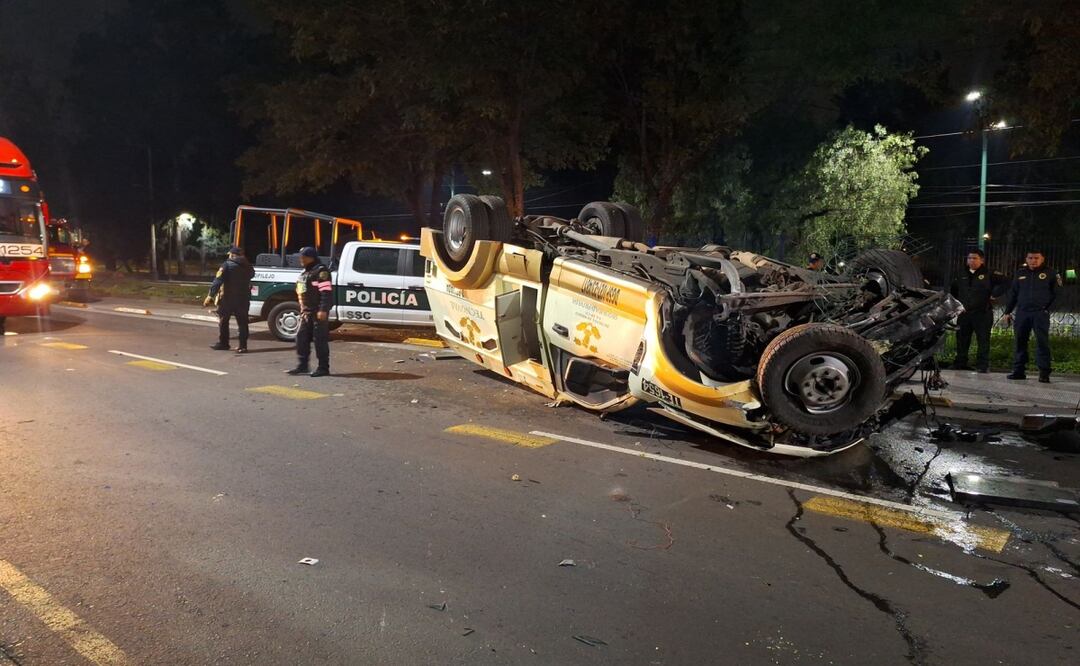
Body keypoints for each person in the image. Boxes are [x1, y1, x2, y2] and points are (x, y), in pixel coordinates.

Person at [1003, 250, 1059, 383]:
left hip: (1040, 313)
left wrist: (1046, 309)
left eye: (1036, 258)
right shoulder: (1020, 273)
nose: (1033, 260)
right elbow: (1013, 293)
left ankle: (1044, 372)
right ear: (1026, 259)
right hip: (1022, 313)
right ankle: (1018, 371)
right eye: (1030, 258)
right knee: (1020, 341)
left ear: (1042, 259)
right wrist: (1007, 312)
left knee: (1042, 342)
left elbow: (1057, 293)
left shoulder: (1051, 273)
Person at [948, 248, 1007, 372]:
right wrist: (957, 306)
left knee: (983, 339)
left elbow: (1006, 283)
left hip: (982, 313)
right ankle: (960, 363)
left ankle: (982, 365)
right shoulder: (961, 273)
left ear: (982, 260)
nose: (971, 260)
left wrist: (994, 294)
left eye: (975, 258)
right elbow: (953, 290)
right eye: (969, 258)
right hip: (964, 313)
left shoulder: (989, 273)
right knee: (962, 339)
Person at [287, 246, 333, 377]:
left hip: (317, 312)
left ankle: (323, 368)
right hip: (306, 312)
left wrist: (323, 309)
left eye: (303, 257)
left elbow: (326, 292)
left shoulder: (321, 272)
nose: (300, 259)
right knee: (301, 339)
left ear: (310, 258)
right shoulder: (305, 272)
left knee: (320, 341)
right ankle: (303, 366)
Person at [205, 246, 255, 352]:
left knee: (223, 321)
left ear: (232, 255)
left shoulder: (227, 265)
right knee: (243, 323)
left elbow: (218, 281)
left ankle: (224, 343)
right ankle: (243, 346)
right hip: (243, 299)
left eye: (230, 255)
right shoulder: (248, 266)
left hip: (228, 299)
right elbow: (252, 275)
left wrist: (210, 296)